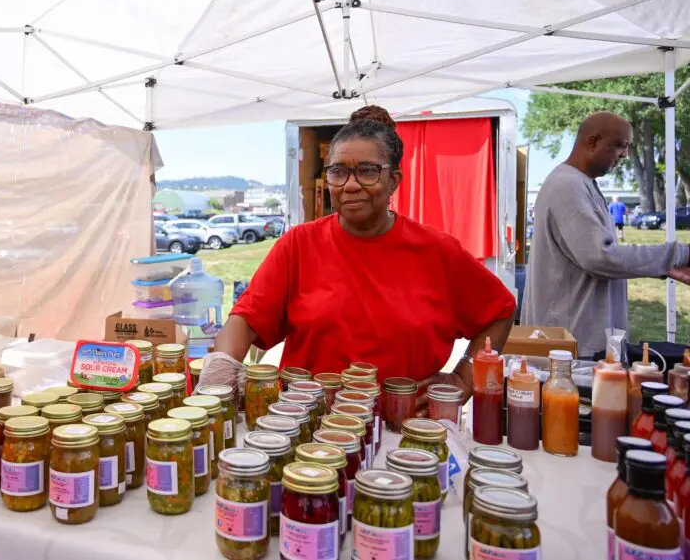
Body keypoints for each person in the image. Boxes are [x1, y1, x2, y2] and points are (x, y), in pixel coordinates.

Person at [197, 106, 516, 411]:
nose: (351, 185)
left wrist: (465, 375)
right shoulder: (299, 245)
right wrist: (220, 371)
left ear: (394, 180)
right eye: (339, 172)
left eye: (367, 172)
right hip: (307, 429)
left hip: (404, 430)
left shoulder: (437, 251)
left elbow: (500, 310)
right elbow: (245, 319)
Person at [521, 112, 690, 358]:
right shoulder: (567, 185)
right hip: (572, 348)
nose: (625, 155)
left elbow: (603, 252)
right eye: (619, 146)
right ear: (592, 142)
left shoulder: (582, 183)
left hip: (581, 341)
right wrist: (678, 253)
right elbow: (600, 256)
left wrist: (664, 267)